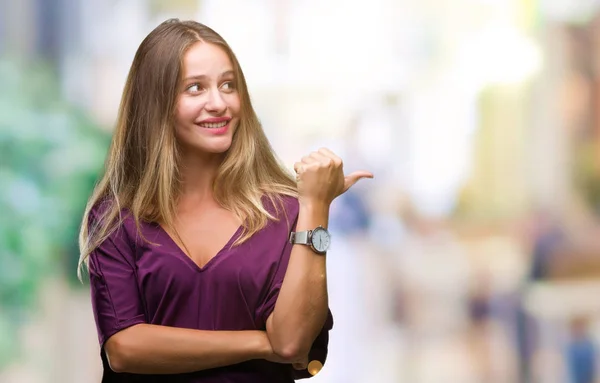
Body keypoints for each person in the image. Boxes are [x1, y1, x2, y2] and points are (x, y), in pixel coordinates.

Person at [77, 18, 372, 382]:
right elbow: (124, 349)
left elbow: (295, 342)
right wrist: (262, 344)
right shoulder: (116, 218)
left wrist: (315, 206)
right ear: (157, 103)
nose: (218, 103)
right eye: (195, 88)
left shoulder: (285, 214)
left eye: (228, 85)